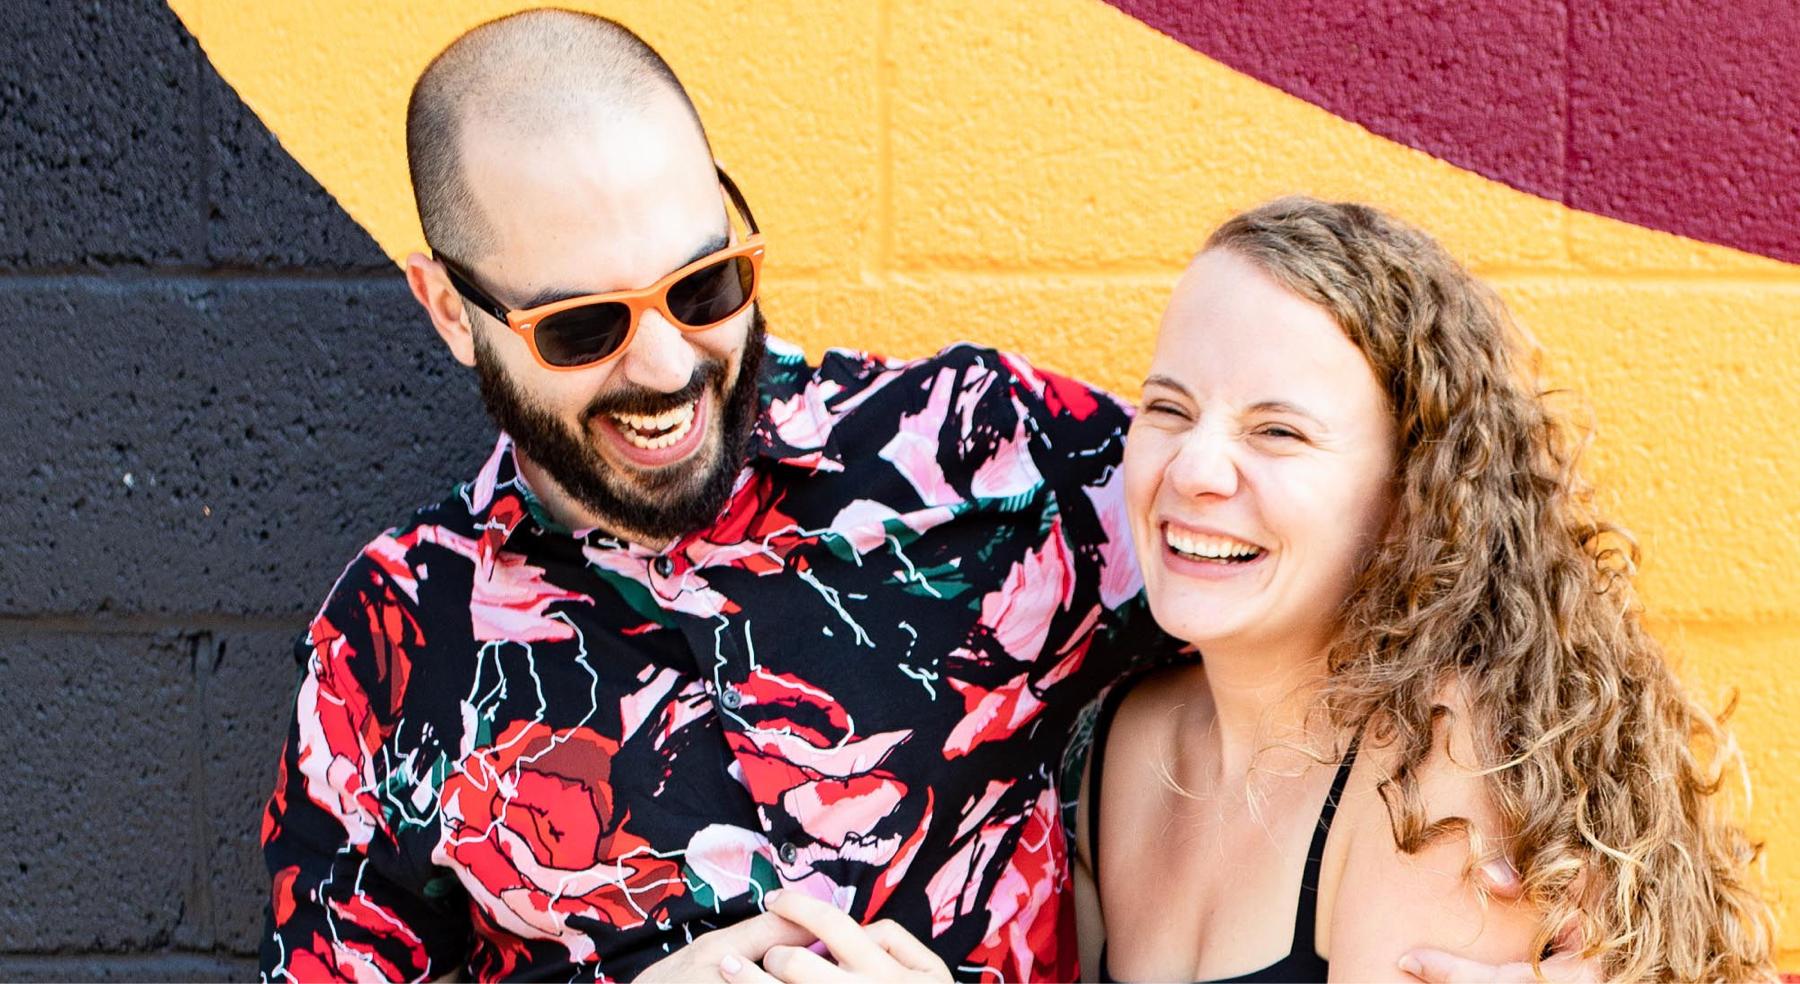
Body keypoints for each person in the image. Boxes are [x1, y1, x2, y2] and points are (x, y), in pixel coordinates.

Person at [257, 10, 1598, 982]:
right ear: (451, 311)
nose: (665, 365)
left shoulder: (978, 458)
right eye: (582, 328)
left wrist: (1603, 919)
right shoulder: (391, 644)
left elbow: (1399, 549)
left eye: (705, 287)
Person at [1067, 198, 1775, 981]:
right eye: (1169, 408)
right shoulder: (1119, 748)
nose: (1193, 469)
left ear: (1411, 495)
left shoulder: (1436, 765)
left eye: (1278, 432)